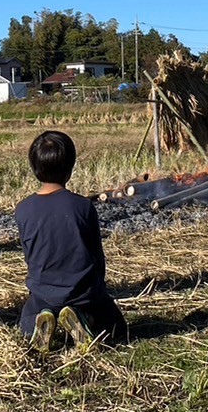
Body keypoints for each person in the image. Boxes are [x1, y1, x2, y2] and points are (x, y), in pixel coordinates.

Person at [14, 130, 128, 350]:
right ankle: (85, 319)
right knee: (117, 327)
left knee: (26, 321)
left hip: (43, 294)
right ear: (70, 168)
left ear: (34, 168)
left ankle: (43, 320)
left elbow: (30, 257)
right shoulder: (82, 206)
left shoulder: (23, 210)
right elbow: (96, 255)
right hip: (83, 293)